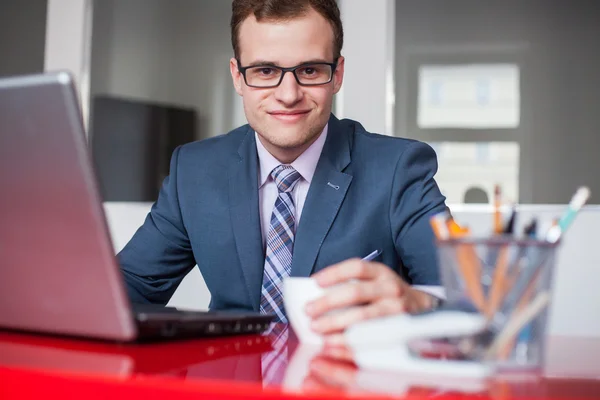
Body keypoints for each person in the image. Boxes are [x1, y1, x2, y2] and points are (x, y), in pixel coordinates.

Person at [119, 0, 448, 345]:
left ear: (337, 74)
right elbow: (127, 289)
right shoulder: (195, 171)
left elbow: (469, 301)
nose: (288, 95)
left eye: (309, 70)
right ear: (237, 76)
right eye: (265, 71)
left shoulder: (399, 169)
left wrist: (419, 302)